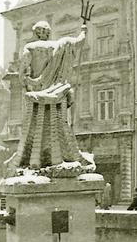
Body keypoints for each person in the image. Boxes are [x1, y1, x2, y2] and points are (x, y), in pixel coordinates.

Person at [9, 20, 89, 171]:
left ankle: (35, 163)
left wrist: (27, 83)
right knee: (58, 126)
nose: (46, 33)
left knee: (35, 131)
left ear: (36, 32)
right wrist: (84, 29)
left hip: (37, 94)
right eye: (46, 30)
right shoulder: (60, 44)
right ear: (45, 32)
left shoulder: (30, 47)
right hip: (56, 92)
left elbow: (23, 70)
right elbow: (79, 41)